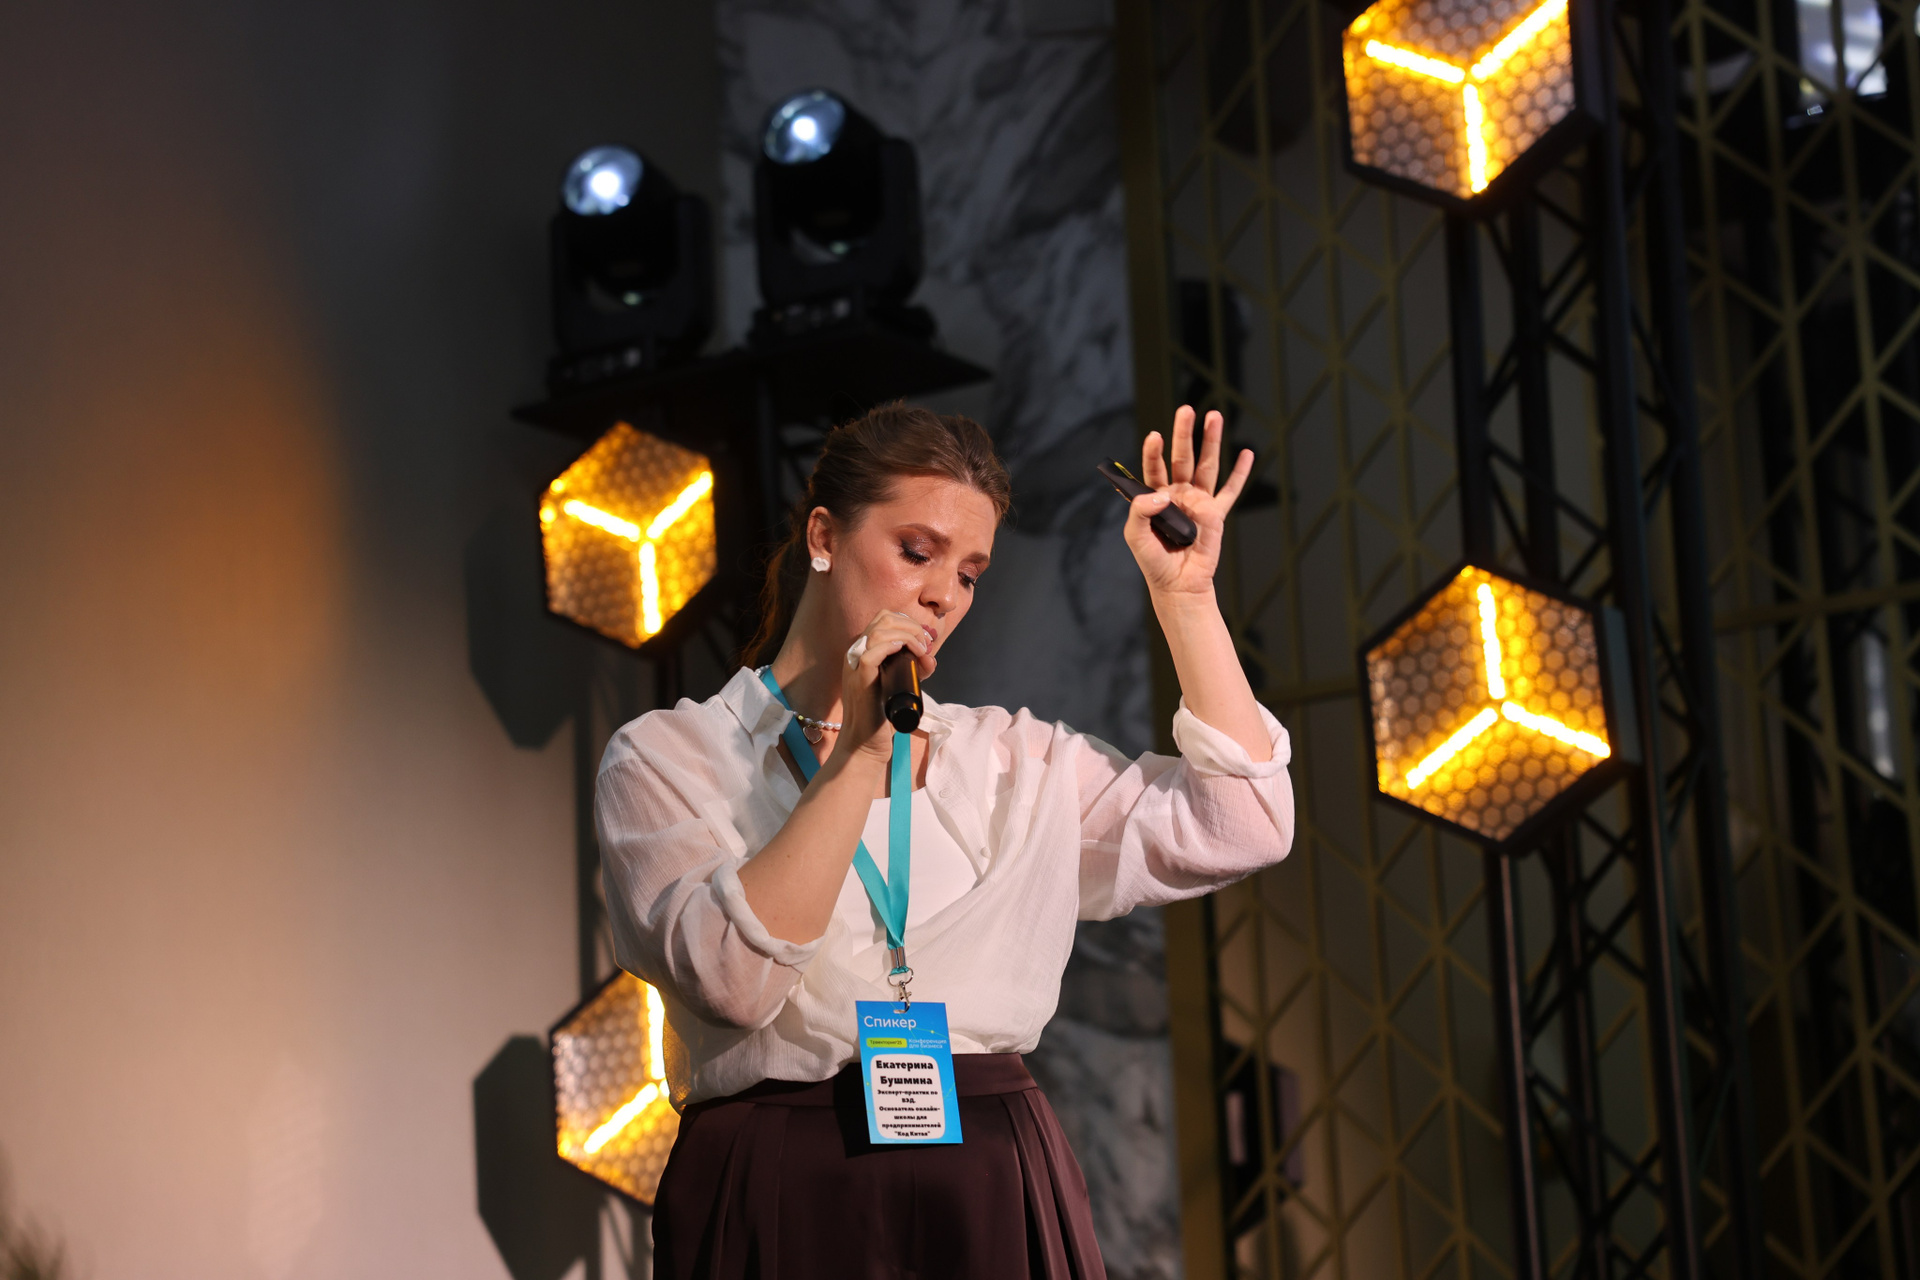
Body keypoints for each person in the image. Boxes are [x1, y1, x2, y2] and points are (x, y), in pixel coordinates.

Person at [596, 401, 1294, 1279]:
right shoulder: (671, 756)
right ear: (824, 535)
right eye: (916, 552)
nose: (942, 596)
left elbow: (1244, 823)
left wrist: (1186, 599)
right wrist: (858, 757)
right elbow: (734, 983)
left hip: (991, 1172)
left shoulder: (1010, 761)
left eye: (969, 573)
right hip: (784, 1176)